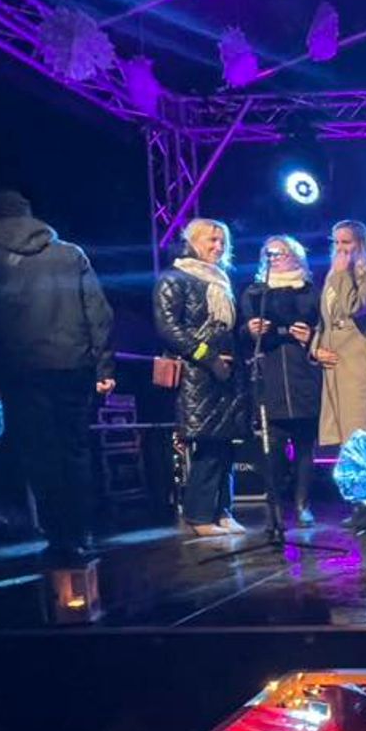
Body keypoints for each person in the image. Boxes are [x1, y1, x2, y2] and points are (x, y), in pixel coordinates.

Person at [0, 190, 114, 563]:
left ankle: (59, 536)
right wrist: (104, 366)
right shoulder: (70, 254)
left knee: (40, 453)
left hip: (20, 368)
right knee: (75, 449)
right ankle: (82, 532)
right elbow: (98, 312)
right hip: (73, 364)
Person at [154, 218, 250, 537]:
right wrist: (208, 356)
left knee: (225, 446)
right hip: (198, 374)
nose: (218, 247)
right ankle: (199, 515)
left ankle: (223, 511)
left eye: (222, 241)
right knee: (208, 446)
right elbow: (169, 328)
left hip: (227, 374)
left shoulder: (221, 280)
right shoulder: (174, 277)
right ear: (193, 241)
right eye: (211, 240)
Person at [239, 235, 321, 525]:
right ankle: (274, 504)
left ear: (296, 256)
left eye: (281, 253)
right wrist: (250, 331)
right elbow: (240, 335)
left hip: (303, 375)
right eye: (269, 254)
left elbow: (325, 330)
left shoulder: (310, 291)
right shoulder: (254, 293)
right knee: (272, 447)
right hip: (270, 376)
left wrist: (311, 336)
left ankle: (302, 504)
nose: (274, 258)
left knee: (304, 445)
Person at [314, 220, 366, 458]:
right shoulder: (333, 278)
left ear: (361, 245)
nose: (340, 248)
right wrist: (316, 349)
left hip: (359, 367)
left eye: (346, 242)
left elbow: (353, 307)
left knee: (361, 437)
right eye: (336, 243)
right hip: (334, 368)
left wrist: (341, 274)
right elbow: (324, 320)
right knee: (342, 443)